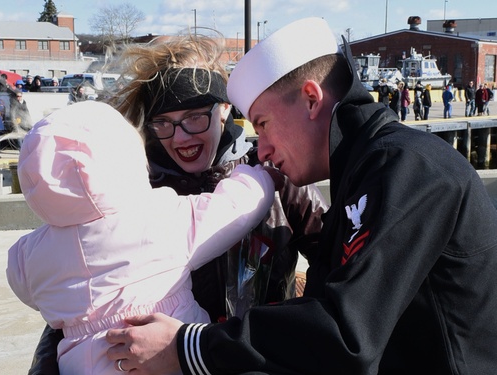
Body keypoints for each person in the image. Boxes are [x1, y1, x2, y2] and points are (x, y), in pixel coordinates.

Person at [105, 17, 497, 374]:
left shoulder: (406, 170)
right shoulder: (366, 170)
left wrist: (190, 346)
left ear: (311, 99)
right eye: (165, 124)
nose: (262, 149)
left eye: (262, 122)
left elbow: (347, 333)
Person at [28, 32, 327, 374]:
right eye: (164, 123)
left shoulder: (273, 174)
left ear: (225, 108)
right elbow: (77, 298)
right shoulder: (121, 195)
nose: (181, 136)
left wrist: (295, 336)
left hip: (257, 360)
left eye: (196, 116)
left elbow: (335, 261)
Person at [7, 100, 278, 375]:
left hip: (77, 364)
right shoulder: (159, 217)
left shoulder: (28, 253)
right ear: (126, 158)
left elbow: (30, 293)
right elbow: (233, 209)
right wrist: (255, 176)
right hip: (164, 357)